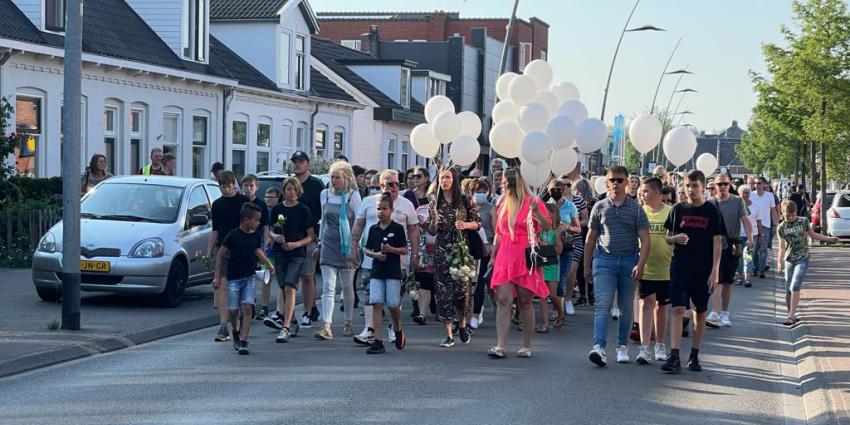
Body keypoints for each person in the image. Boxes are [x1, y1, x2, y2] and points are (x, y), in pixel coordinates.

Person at [584, 165, 650, 367]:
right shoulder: (599, 206)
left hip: (629, 261)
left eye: (620, 180)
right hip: (604, 261)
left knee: (625, 307)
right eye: (612, 180)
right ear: (606, 182)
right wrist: (586, 265)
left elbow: (646, 239)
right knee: (603, 304)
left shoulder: (636, 209)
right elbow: (591, 237)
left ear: (628, 182)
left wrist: (640, 264)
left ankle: (622, 347)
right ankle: (599, 347)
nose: (616, 184)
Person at [661, 170, 722, 373]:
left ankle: (694, 355)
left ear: (703, 186)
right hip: (680, 265)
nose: (690, 189)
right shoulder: (677, 209)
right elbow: (667, 237)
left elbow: (717, 243)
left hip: (703, 268)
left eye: (694, 185)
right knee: (678, 308)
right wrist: (674, 238)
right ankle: (675, 355)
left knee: (700, 312)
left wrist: (715, 271)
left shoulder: (712, 211)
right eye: (687, 185)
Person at [351, 169, 421, 344]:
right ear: (381, 185)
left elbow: (413, 230)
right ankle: (370, 329)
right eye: (391, 184)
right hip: (371, 260)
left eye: (398, 184)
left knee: (394, 299)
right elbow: (358, 226)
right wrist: (353, 248)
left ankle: (393, 327)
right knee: (371, 296)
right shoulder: (368, 202)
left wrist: (415, 253)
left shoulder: (406, 204)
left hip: (398, 262)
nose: (395, 187)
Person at [487, 168, 550, 358]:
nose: (506, 186)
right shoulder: (503, 202)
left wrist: (537, 212)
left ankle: (526, 345)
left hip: (526, 253)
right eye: (505, 183)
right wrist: (493, 255)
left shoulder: (534, 202)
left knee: (525, 300)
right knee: (503, 299)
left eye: (509, 183)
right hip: (505, 254)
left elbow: (547, 226)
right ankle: (500, 345)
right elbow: (499, 231)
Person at [429, 167, 481, 348]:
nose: (444, 180)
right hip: (443, 250)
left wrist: (465, 224)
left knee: (462, 291)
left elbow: (478, 223)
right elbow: (432, 231)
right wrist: (433, 222)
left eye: (448, 177)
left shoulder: (464, 200)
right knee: (443, 293)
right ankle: (449, 334)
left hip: (461, 250)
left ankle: (462, 324)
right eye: (442, 177)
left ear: (454, 179)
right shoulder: (435, 201)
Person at [214, 203, 275, 355]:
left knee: (247, 307)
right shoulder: (233, 235)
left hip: (249, 278)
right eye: (256, 220)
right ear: (246, 220)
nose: (258, 223)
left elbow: (257, 250)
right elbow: (221, 255)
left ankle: (244, 340)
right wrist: (217, 276)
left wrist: (267, 263)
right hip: (234, 278)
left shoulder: (255, 235)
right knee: (233, 311)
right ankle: (236, 330)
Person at [315, 161, 362, 340]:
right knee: (328, 287)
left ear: (346, 178)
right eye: (332, 177)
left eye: (337, 178)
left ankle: (348, 322)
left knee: (347, 287)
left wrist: (355, 247)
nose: (334, 181)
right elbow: (323, 220)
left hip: (347, 247)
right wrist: (319, 243)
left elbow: (359, 221)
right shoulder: (324, 194)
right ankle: (326, 325)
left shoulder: (353, 196)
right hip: (328, 245)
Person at [266, 178, 315, 343]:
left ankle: (285, 327)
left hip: (297, 253)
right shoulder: (278, 209)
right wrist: (275, 236)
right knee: (282, 286)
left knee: (290, 285)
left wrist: (296, 244)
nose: (291, 192)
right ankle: (292, 320)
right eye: (288, 189)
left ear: (298, 191)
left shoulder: (303, 210)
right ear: (284, 192)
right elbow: (271, 230)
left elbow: (310, 236)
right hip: (280, 252)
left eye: (294, 189)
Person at [776, 201, 838, 326]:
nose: (791, 218)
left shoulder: (803, 221)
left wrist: (829, 239)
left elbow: (812, 234)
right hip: (789, 259)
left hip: (802, 257)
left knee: (795, 285)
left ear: (796, 213)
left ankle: (792, 316)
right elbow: (782, 247)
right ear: (783, 214)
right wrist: (779, 262)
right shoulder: (781, 227)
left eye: (793, 215)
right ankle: (790, 314)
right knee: (788, 289)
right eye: (788, 216)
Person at [363, 192, 409, 354]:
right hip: (377, 271)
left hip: (392, 271)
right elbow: (367, 249)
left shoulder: (397, 228)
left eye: (384, 209)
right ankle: (378, 340)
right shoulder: (374, 229)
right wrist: (376, 255)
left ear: (391, 210)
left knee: (393, 305)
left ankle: (397, 328)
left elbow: (404, 249)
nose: (381, 212)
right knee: (376, 303)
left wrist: (391, 250)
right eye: (378, 209)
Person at [207, 171, 250, 342]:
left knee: (239, 285)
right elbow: (215, 230)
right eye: (222, 186)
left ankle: (238, 317)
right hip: (223, 249)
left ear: (234, 184)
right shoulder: (217, 205)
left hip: (242, 248)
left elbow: (253, 225)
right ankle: (223, 324)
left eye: (228, 186)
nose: (226, 189)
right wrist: (209, 251)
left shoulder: (243, 202)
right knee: (222, 285)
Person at [706, 173, 753, 328]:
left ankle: (724, 313)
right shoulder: (710, 203)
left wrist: (750, 237)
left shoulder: (737, 201)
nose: (723, 187)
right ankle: (714, 312)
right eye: (719, 185)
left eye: (725, 184)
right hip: (714, 246)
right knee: (716, 280)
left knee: (727, 282)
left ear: (730, 185)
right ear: (715, 186)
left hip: (731, 246)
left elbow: (745, 220)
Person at [636, 177, 673, 364]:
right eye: (641, 191)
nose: (642, 195)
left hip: (666, 269)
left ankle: (660, 345)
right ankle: (644, 347)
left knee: (662, 307)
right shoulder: (640, 212)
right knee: (646, 303)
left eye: (646, 191)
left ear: (658, 193)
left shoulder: (671, 212)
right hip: (646, 267)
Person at [291, 151, 324, 327]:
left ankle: (308, 311)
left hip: (310, 237)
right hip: (292, 237)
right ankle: (308, 308)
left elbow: (322, 210)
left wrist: (319, 238)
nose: (297, 164)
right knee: (292, 277)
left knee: (307, 275)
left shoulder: (316, 185)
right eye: (295, 161)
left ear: (307, 164)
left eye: (300, 161)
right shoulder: (290, 184)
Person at [470, 178, 495, 329]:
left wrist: (492, 247)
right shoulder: (468, 207)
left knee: (480, 283)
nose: (481, 195)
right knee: (468, 283)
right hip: (470, 248)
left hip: (486, 250)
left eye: (483, 192)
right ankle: (466, 313)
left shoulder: (491, 208)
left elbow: (496, 229)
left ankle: (475, 313)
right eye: (477, 192)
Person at [536, 203, 563, 333]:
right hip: (541, 264)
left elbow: (559, 249)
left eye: (550, 219)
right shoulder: (538, 232)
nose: (548, 221)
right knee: (542, 295)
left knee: (552, 294)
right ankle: (545, 323)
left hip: (552, 265)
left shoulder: (555, 232)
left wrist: (547, 248)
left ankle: (561, 311)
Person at [572, 177, 595, 306]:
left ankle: (582, 295)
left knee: (581, 267)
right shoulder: (594, 202)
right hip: (592, 236)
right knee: (589, 265)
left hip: (582, 235)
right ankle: (591, 294)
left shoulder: (579, 203)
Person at [748, 176, 776, 279]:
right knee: (754, 248)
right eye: (755, 183)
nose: (757, 185)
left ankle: (762, 269)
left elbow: (773, 210)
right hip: (754, 225)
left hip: (766, 225)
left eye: (759, 183)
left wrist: (775, 224)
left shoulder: (769, 196)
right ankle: (755, 267)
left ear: (764, 185)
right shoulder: (751, 195)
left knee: (763, 248)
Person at [737, 186, 758, 287]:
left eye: (747, 193)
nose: (745, 195)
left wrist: (761, 234)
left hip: (750, 235)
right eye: (743, 193)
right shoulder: (736, 205)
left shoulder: (755, 205)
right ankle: (741, 277)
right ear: (739, 194)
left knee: (748, 257)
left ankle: (747, 279)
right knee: (740, 258)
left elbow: (759, 220)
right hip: (738, 235)